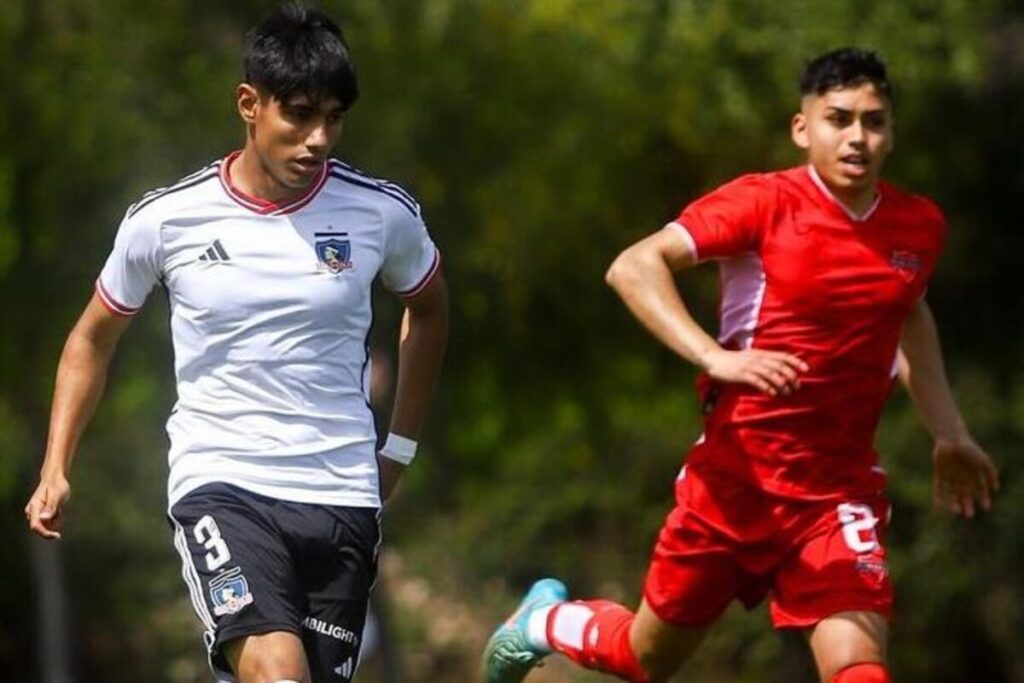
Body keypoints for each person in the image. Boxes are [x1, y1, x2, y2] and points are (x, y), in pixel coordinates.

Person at [483, 47, 998, 683]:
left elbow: (910, 314)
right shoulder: (762, 203)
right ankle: (542, 622)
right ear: (802, 128)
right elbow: (633, 266)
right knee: (643, 661)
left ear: (892, 133)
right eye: (839, 119)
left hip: (837, 494)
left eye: (875, 121)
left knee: (860, 668)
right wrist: (715, 357)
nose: (858, 137)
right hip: (733, 484)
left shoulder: (917, 226)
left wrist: (948, 430)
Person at [24, 4, 448, 682]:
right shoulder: (167, 220)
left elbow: (428, 309)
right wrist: (55, 466)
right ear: (249, 104)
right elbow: (89, 339)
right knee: (277, 675)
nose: (318, 139)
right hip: (223, 483)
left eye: (334, 118)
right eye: (300, 114)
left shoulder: (380, 214)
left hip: (341, 494)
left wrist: (398, 446)